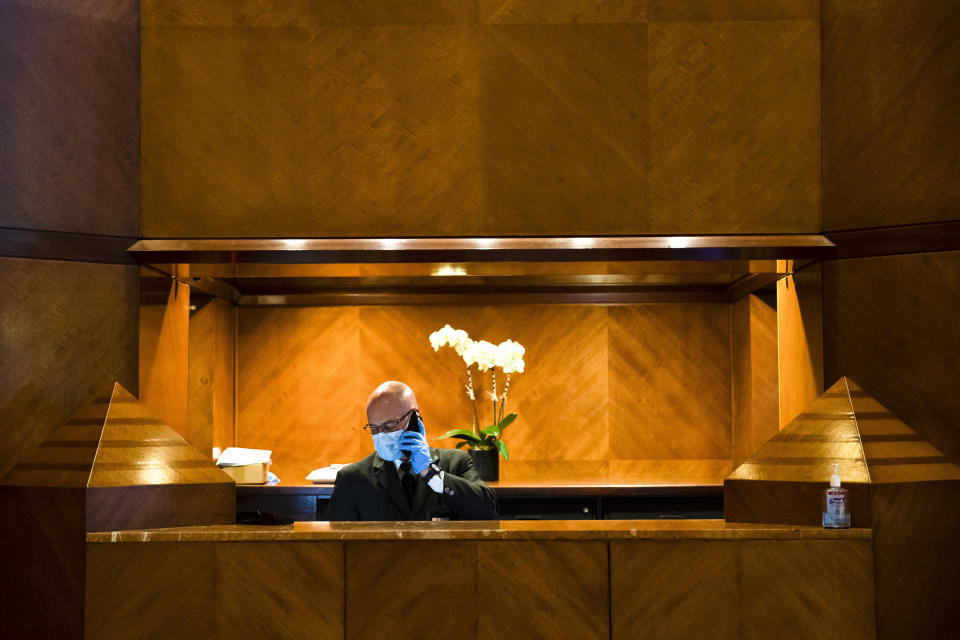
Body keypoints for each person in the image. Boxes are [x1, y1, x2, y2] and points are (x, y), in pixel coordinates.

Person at [328, 381, 497, 521]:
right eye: (374, 428)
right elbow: (341, 545)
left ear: (415, 417)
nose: (382, 434)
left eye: (389, 425)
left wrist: (430, 473)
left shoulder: (456, 462)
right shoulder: (352, 479)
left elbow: (488, 512)